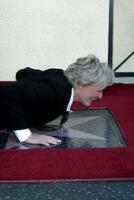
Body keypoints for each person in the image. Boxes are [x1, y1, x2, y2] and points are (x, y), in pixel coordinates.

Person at [0, 54, 114, 146]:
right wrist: (26, 135)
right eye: (99, 90)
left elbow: (23, 72)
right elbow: (10, 93)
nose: (100, 96)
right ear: (81, 84)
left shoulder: (59, 78)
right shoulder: (54, 90)